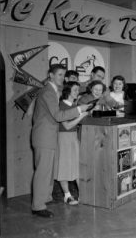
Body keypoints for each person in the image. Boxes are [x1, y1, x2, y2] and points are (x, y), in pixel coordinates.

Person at [31, 64, 90, 218]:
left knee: (48, 172)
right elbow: (58, 116)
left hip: (48, 137)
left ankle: (45, 198)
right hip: (44, 137)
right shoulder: (48, 92)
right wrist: (79, 110)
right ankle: (38, 206)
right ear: (50, 75)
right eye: (59, 74)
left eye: (64, 75)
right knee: (43, 172)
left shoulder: (52, 91)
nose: (62, 78)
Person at [56, 82, 88, 206]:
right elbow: (67, 126)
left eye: (78, 90)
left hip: (73, 137)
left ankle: (83, 194)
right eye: (75, 90)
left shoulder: (74, 105)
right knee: (64, 166)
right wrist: (81, 116)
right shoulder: (61, 105)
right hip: (64, 138)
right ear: (68, 91)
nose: (77, 92)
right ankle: (67, 195)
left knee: (77, 166)